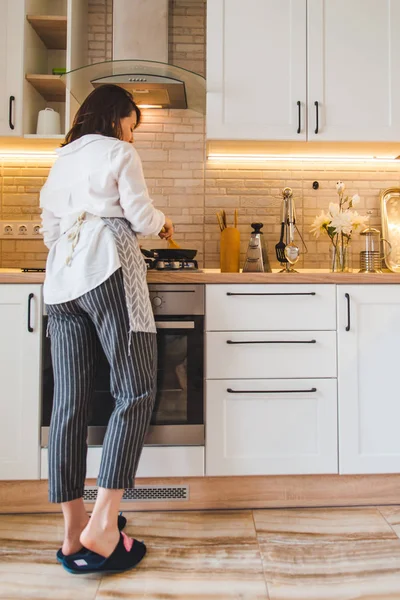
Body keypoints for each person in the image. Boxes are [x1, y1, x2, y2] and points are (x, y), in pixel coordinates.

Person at [40, 84, 173, 575]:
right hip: (106, 268)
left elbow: (50, 231)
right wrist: (162, 221)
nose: (131, 135)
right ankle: (104, 523)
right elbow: (138, 216)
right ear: (117, 118)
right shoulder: (119, 152)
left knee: (68, 402)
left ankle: (73, 529)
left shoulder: (61, 159)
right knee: (134, 391)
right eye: (131, 125)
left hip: (62, 281)